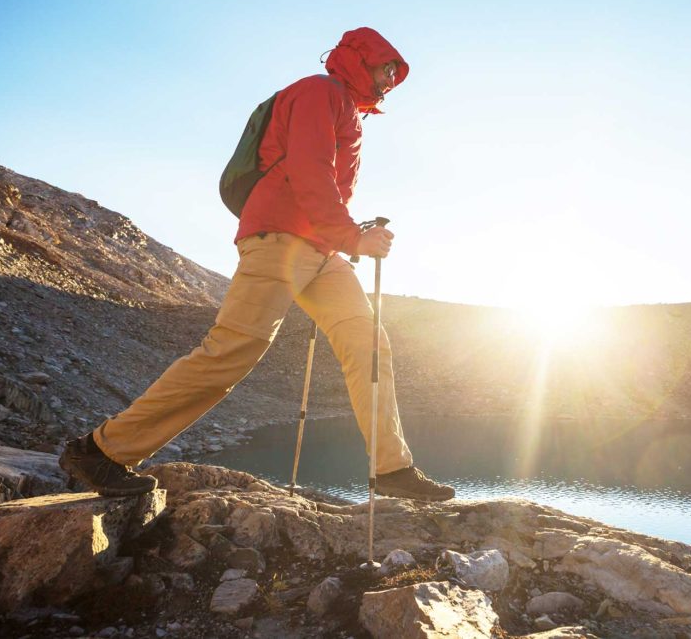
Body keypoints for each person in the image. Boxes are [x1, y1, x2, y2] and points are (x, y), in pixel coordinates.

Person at [58, 27, 455, 502]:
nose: (391, 78)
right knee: (231, 351)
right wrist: (353, 236)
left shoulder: (345, 107)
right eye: (387, 66)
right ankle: (101, 451)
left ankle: (392, 470)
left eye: (396, 72)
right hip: (279, 240)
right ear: (361, 59)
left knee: (367, 342)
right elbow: (310, 169)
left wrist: (345, 236)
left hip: (319, 249)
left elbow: (321, 179)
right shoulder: (318, 92)